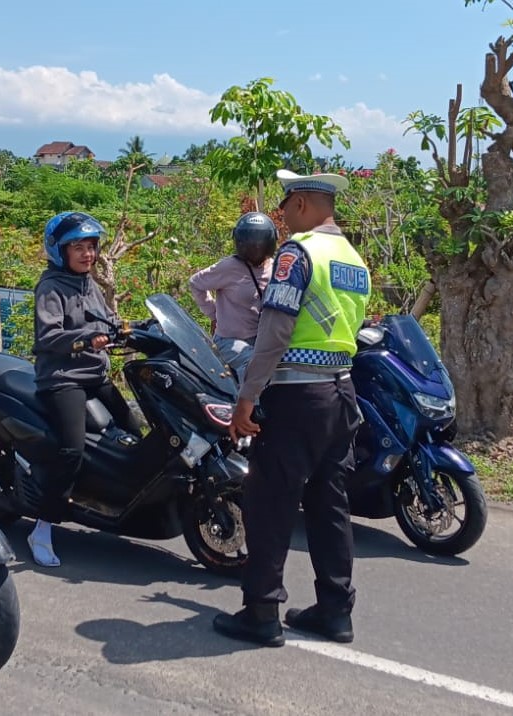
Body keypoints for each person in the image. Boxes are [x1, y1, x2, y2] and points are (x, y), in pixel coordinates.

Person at [213, 169, 369, 648]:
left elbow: (274, 333)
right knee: (330, 504)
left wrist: (246, 399)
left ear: (301, 202)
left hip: (296, 396)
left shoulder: (296, 254)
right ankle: (335, 611)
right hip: (341, 393)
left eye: (284, 206)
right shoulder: (353, 260)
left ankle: (261, 611)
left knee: (270, 502)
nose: (281, 215)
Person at [28, 211, 140, 568]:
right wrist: (85, 339)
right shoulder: (51, 287)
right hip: (63, 378)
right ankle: (43, 526)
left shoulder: (89, 283)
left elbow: (105, 318)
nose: (87, 254)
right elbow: (49, 336)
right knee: (71, 450)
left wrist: (134, 328)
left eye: (91, 247)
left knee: (135, 431)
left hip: (95, 375)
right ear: (59, 250)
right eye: (78, 247)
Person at [188, 211, 277, 380]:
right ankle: (250, 406)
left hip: (261, 341)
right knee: (254, 365)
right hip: (229, 341)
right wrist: (213, 313)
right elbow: (196, 283)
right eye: (250, 242)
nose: (255, 247)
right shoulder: (229, 267)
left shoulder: (275, 268)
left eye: (258, 242)